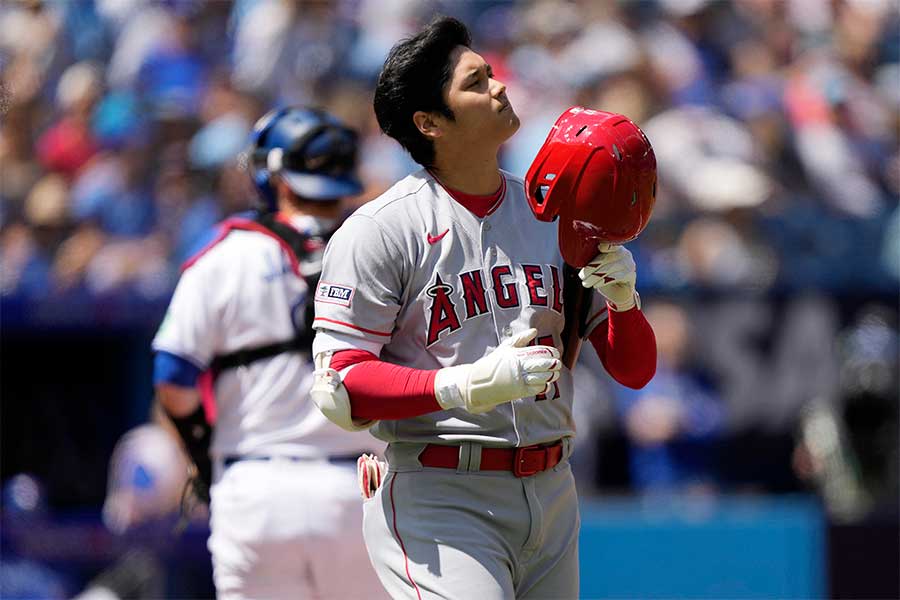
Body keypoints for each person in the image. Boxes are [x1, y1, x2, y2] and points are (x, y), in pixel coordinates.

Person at [310, 17, 657, 600]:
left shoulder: (551, 211)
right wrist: (465, 385)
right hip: (443, 494)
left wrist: (625, 304)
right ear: (429, 123)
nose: (499, 87)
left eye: (492, 74)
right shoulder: (382, 229)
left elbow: (635, 370)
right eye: (475, 83)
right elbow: (342, 384)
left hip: (552, 490)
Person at [152, 106, 387, 599]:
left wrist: (200, 446)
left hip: (255, 483)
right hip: (363, 485)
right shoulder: (385, 249)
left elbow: (172, 375)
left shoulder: (225, 253)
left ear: (274, 174)